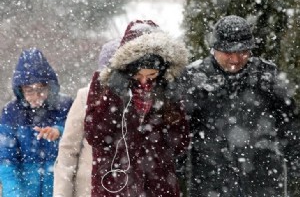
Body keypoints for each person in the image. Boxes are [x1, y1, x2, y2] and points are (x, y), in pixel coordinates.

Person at [181, 15, 300, 196]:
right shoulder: (193, 80)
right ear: (214, 49)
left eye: (243, 52)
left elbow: (292, 130)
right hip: (211, 184)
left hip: (263, 183)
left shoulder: (267, 77)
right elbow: (177, 137)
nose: (235, 59)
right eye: (228, 52)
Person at [84, 19, 190, 197]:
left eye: (152, 75)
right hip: (115, 186)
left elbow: (180, 144)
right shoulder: (103, 84)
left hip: (158, 187)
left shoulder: (169, 88)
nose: (144, 81)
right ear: (126, 68)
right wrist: (114, 96)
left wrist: (173, 104)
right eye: (138, 74)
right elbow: (95, 135)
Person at [0, 48, 73, 197]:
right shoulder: (11, 112)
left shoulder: (65, 105)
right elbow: (6, 159)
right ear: (20, 90)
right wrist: (14, 193)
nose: (36, 96)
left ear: (49, 86)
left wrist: (59, 131)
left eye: (41, 89)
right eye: (29, 91)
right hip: (24, 189)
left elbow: (79, 134)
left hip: (58, 187)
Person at [53, 38, 120, 197]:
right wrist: (62, 193)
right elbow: (68, 149)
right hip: (88, 189)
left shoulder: (137, 100)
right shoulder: (86, 96)